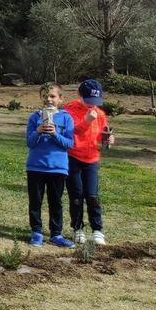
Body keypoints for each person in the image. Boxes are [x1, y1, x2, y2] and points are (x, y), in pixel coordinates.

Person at [25, 83, 76, 248]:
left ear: (61, 99)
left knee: (56, 201)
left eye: (53, 96)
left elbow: (69, 143)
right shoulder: (34, 117)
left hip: (57, 168)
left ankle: (56, 234)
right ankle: (37, 232)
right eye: (45, 96)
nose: (48, 99)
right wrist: (38, 131)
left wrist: (55, 134)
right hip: (36, 167)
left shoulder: (66, 118)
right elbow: (30, 143)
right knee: (35, 201)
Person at [64, 79, 114, 246]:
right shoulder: (70, 109)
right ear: (80, 95)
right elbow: (71, 132)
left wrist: (108, 139)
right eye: (89, 101)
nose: (92, 105)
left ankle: (97, 230)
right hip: (73, 157)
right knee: (77, 195)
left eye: (96, 102)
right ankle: (77, 228)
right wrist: (86, 121)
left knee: (92, 195)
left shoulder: (99, 113)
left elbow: (100, 134)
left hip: (92, 158)